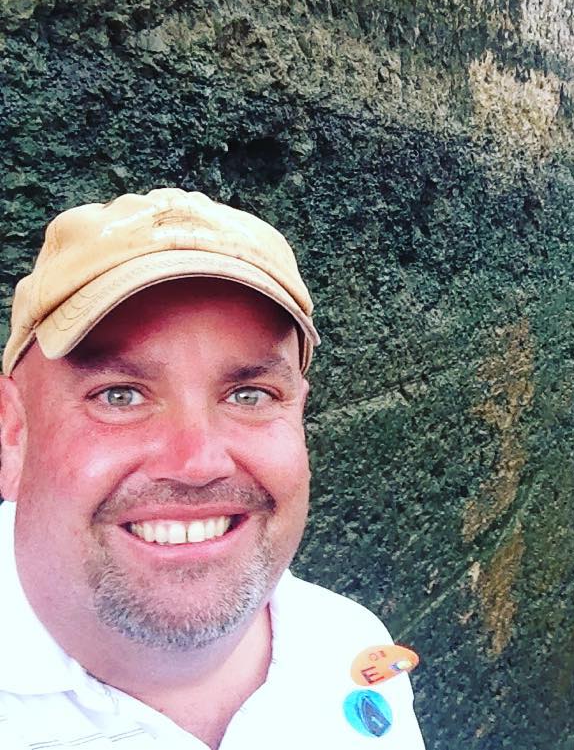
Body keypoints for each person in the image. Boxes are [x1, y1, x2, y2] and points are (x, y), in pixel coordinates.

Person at [0, 190, 424, 749]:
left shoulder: (350, 646)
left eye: (249, 395)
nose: (197, 463)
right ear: (14, 435)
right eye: (120, 395)